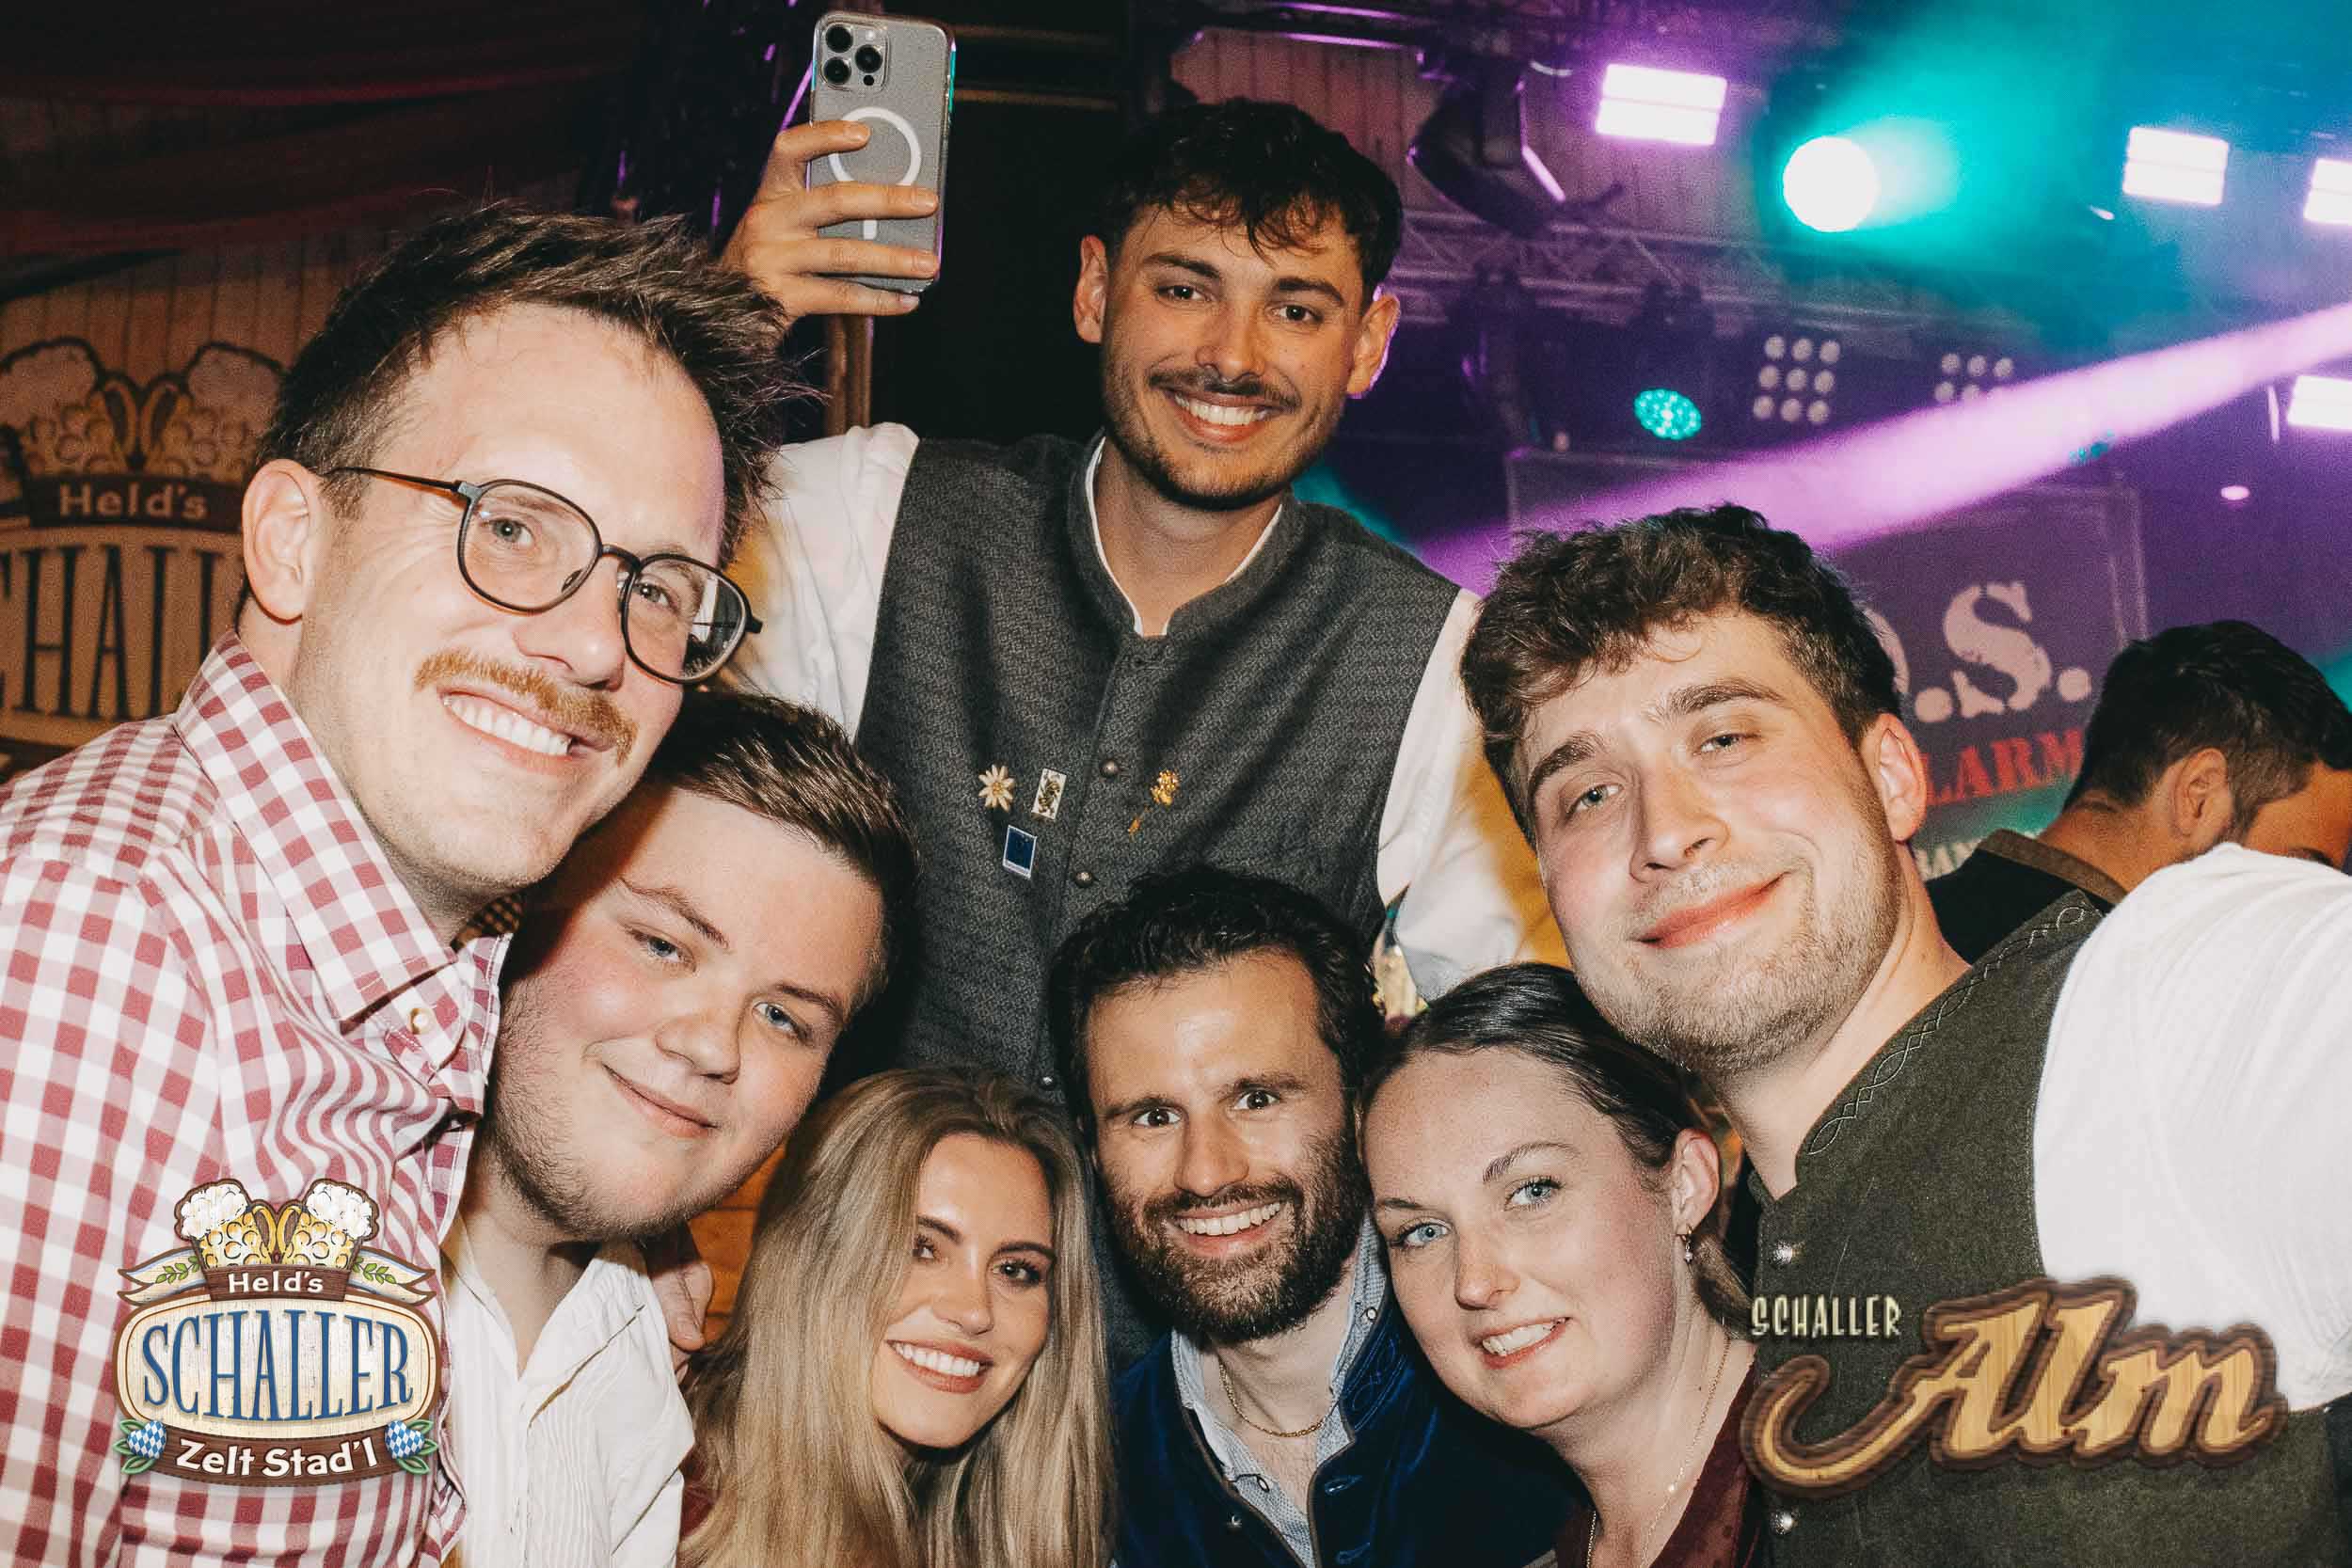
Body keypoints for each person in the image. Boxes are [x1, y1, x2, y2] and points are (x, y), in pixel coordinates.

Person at [0, 205, 790, 1563]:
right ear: (293, 540)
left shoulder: (371, 976)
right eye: (513, 526)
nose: (595, 645)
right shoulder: (100, 951)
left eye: (660, 587)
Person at [1460, 504, 2350, 1563]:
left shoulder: (2158, 1014)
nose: (1663, 829)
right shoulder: (1747, 1263)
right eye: (1588, 792)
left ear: (1890, 775)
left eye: (1725, 737)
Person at [723, 97, 1561, 1091]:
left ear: (1368, 343)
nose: (1234, 356)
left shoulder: (1430, 660)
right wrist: (722, 325)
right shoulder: (879, 511)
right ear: (1095, 291)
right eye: (1184, 288)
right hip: (862, 1191)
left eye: (1296, 310)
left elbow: (1526, 1045)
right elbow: (615, 592)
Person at [441, 689, 916, 1566]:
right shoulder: (283, 1238)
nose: (711, 1045)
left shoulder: (643, 1362)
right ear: (522, 904)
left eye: (784, 1017)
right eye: (663, 945)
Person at [1047, 865, 1577, 1568]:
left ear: (1359, 1107)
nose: (1206, 1171)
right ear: (1092, 1148)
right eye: (1153, 1116)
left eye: (1256, 1099)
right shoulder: (1095, 1485)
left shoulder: (1532, 1357)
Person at [1362, 964, 1761, 1568]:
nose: (1474, 1282)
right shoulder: (1548, 1546)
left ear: (1686, 1184)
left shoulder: (1857, 1495)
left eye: (1532, 1192)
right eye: (1422, 1232)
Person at [678, 1068, 1111, 1568]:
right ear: (809, 1257)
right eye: (920, 1248)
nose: (974, 1311)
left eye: (1016, 1270)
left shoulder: (1014, 1539)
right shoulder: (657, 1497)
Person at [1929, 617, 2352, 959]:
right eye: (2300, 868)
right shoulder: (2131, 1000)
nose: (2308, 908)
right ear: (2199, 794)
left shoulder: (1925, 937)